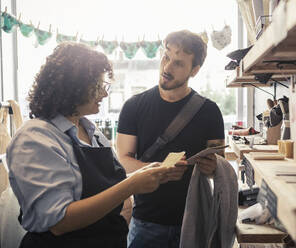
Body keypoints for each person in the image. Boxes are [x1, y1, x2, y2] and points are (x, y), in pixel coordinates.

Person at [6, 42, 182, 248]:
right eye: (99, 86)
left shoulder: (91, 130)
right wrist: (132, 185)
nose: (105, 94)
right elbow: (59, 221)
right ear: (73, 86)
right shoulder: (36, 138)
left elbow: (98, 186)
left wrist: (144, 175)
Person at [116, 30, 225, 248]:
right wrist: (157, 171)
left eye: (178, 63)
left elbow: (218, 166)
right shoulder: (133, 106)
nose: (167, 68)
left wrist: (212, 167)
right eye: (166, 57)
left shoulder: (210, 111)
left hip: (195, 220)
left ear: (194, 71)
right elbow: (123, 162)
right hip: (146, 221)